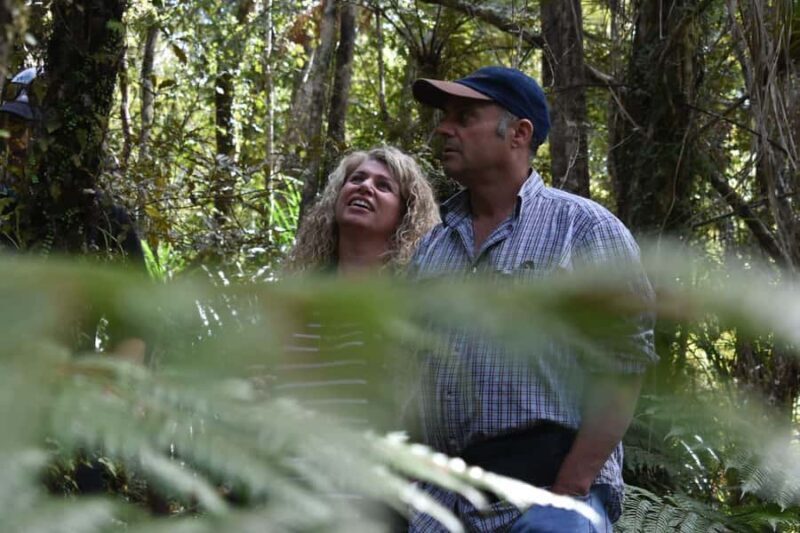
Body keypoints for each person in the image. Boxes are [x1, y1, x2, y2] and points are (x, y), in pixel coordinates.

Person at [409, 66, 657, 532]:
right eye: (444, 117)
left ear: (518, 133)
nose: (443, 128)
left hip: (547, 501)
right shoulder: (433, 246)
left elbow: (625, 363)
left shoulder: (584, 229)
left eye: (464, 116)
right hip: (443, 508)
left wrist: (570, 489)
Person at [287, 145, 439, 274]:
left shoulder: (413, 293)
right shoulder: (304, 287)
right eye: (357, 179)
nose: (365, 186)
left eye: (383, 186)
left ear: (406, 213)